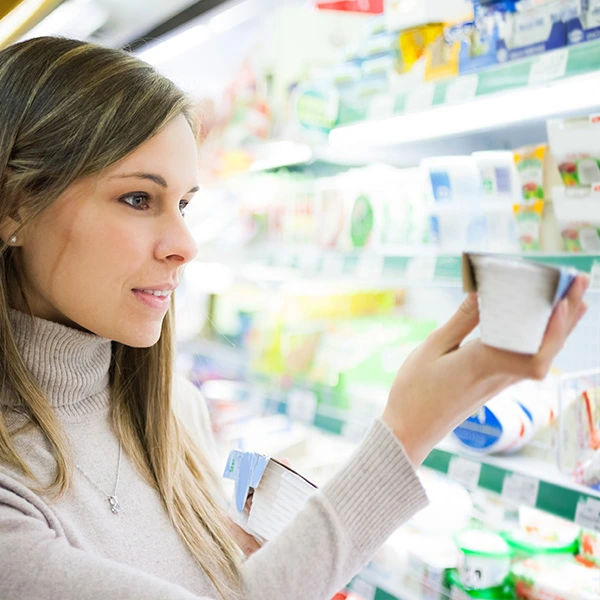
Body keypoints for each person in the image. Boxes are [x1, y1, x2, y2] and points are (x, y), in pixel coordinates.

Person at [0, 36, 588, 600]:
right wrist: (410, 428)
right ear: (15, 205)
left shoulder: (172, 412)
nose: (185, 243)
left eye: (184, 203)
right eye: (138, 199)